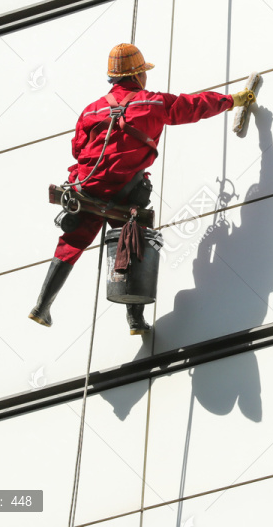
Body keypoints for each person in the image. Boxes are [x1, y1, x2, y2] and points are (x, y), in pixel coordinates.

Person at [28, 43, 254, 335]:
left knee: (70, 244)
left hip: (88, 188)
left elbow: (77, 149)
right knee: (133, 243)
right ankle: (135, 320)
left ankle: (42, 306)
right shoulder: (153, 103)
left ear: (113, 78)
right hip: (125, 192)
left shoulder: (90, 110)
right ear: (138, 76)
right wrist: (233, 99)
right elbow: (194, 106)